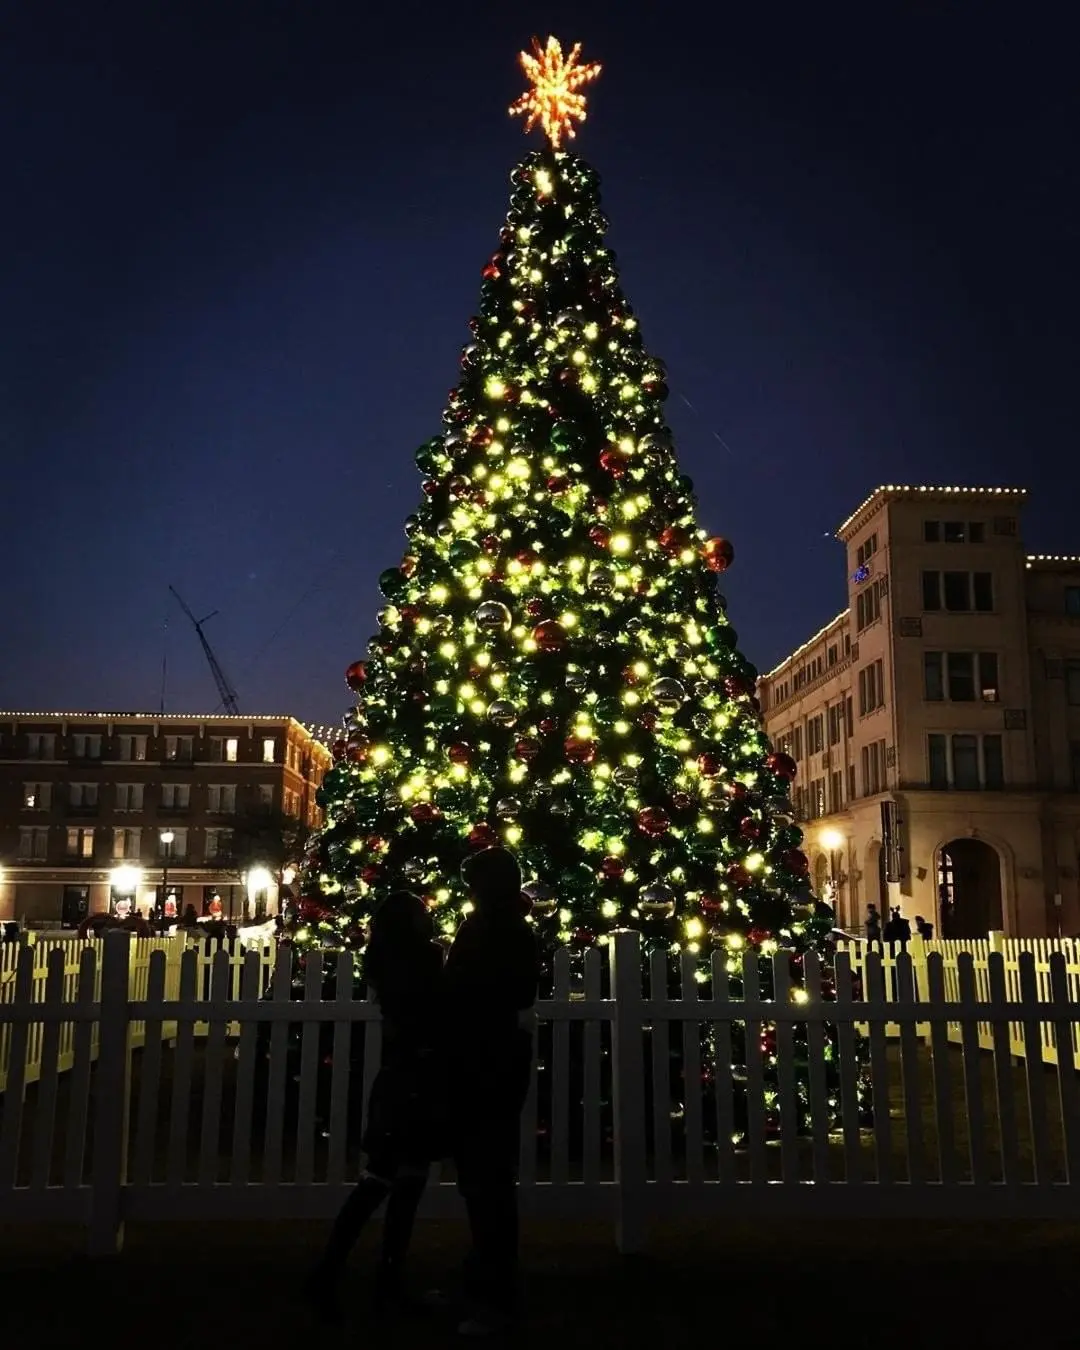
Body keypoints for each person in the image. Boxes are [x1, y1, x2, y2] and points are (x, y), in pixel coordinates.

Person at [304, 892, 445, 1324]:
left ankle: (342, 1272)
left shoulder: (384, 962)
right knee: (397, 1184)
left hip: (398, 1077)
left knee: (382, 1180)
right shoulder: (425, 961)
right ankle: (381, 1279)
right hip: (417, 1081)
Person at [445, 847, 540, 1337]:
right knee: (487, 1180)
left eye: (474, 883)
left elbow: (470, 989)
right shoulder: (505, 928)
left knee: (488, 1182)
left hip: (486, 1063)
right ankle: (483, 1279)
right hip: (493, 1059)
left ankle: (495, 1297)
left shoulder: (493, 931)